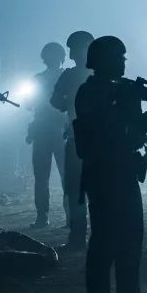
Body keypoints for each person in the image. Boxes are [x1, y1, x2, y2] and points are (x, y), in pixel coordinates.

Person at [73, 36, 147, 293]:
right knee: (117, 243)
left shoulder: (95, 91)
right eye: (119, 58)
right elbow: (130, 128)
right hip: (111, 172)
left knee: (113, 242)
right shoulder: (103, 93)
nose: (123, 63)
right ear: (104, 60)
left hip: (110, 172)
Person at [50, 30, 94, 251]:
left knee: (76, 190)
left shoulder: (69, 76)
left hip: (79, 140)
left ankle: (78, 237)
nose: (73, 53)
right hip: (95, 140)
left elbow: (56, 102)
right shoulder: (102, 72)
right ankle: (91, 235)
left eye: (75, 49)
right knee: (89, 189)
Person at [24, 42, 68, 229]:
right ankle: (67, 217)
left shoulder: (39, 78)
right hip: (56, 130)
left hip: (52, 130)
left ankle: (44, 217)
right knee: (60, 176)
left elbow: (28, 103)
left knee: (45, 177)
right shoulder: (67, 76)